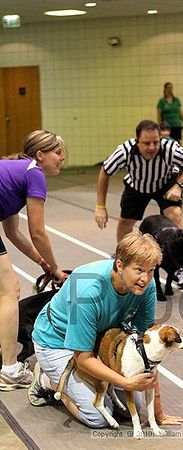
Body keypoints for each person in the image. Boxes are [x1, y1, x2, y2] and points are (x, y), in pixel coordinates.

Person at [28, 232, 183, 428]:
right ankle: (47, 380)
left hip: (100, 342)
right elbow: (83, 359)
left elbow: (147, 350)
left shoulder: (146, 286)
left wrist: (158, 412)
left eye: (151, 270)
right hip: (56, 342)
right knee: (98, 417)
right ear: (120, 265)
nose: (145, 278)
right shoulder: (86, 291)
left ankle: (79, 383)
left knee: (129, 410)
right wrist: (126, 383)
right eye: (138, 270)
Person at [0, 130, 66, 391]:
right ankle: (9, 369)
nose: (62, 158)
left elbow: (12, 232)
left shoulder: (16, 171)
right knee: (9, 289)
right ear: (41, 155)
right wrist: (57, 269)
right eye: (58, 152)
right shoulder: (34, 173)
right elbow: (37, 232)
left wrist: (43, 263)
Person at [95, 119, 183, 289]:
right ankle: (123, 258)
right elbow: (105, 172)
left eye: (156, 142)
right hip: (137, 186)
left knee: (175, 213)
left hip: (165, 184)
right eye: (146, 143)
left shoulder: (171, 149)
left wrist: (179, 185)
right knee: (125, 222)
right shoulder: (125, 151)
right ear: (136, 141)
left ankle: (181, 266)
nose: (152, 148)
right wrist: (100, 206)